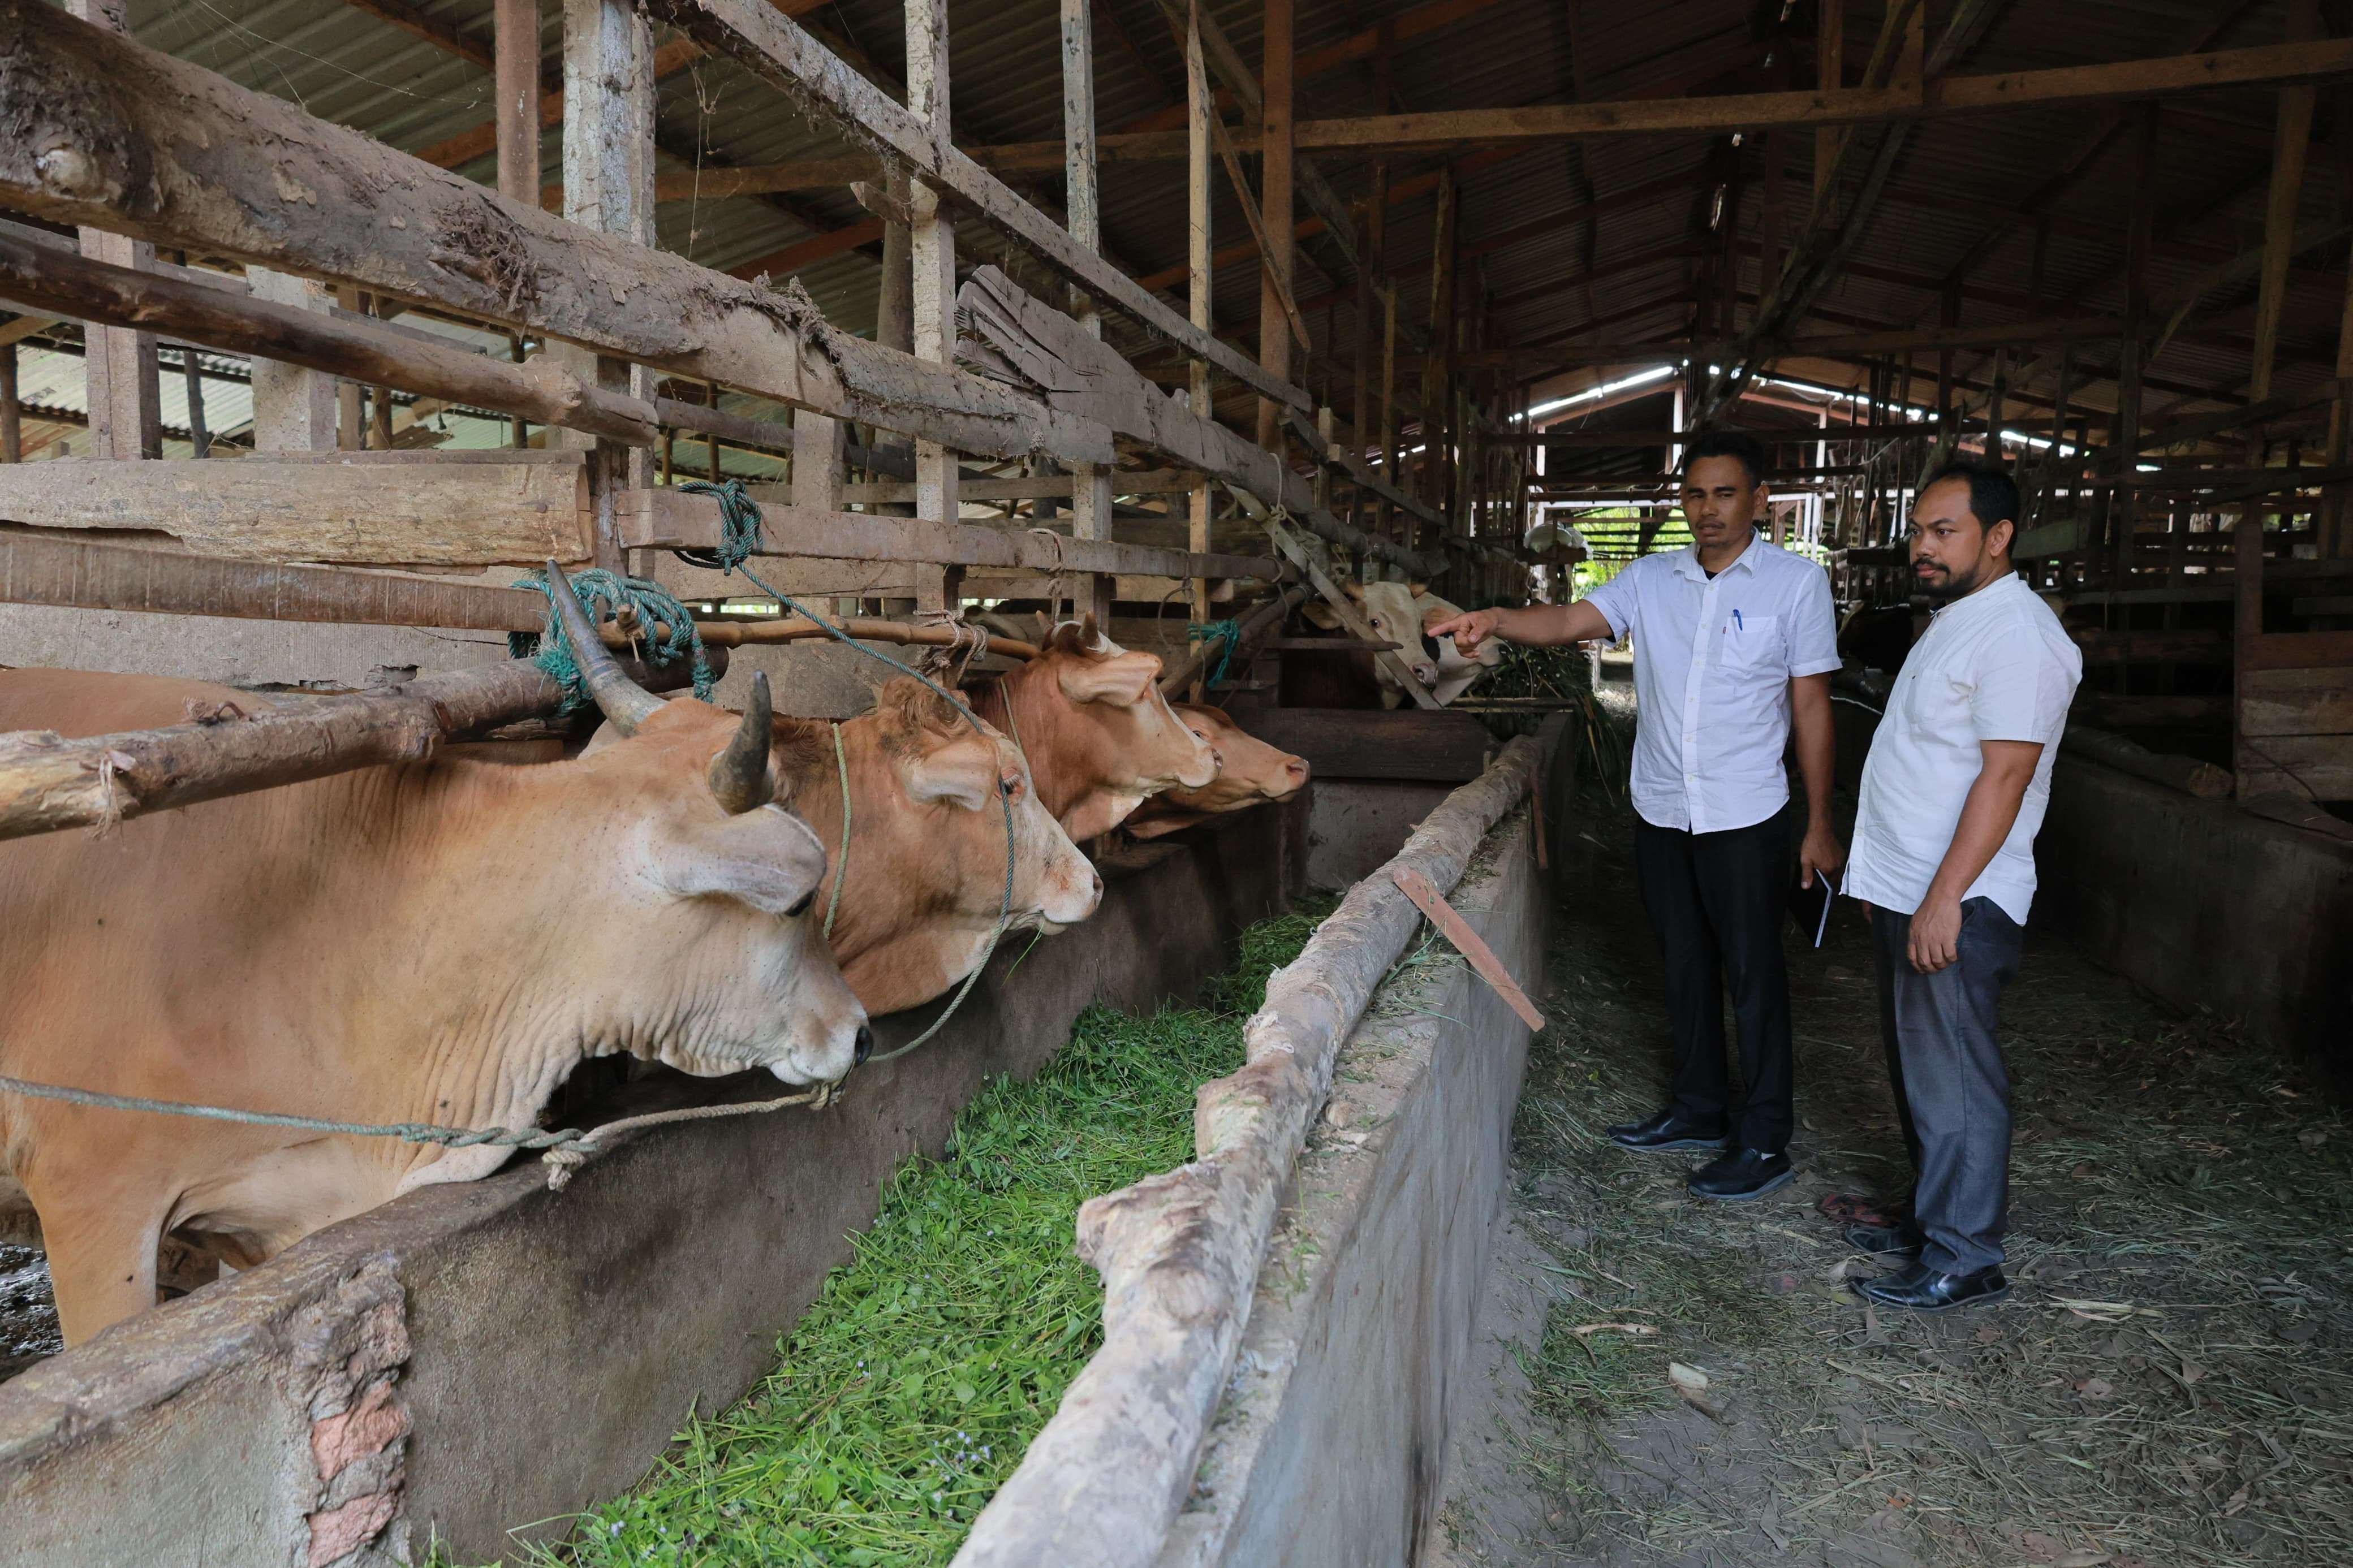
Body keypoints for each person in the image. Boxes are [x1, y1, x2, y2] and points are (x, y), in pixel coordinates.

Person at [1431, 431, 1842, 1200]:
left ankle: (1763, 1140)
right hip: (1662, 808)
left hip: (1748, 814)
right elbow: (1567, 623)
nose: (1708, 510)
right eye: (1695, 495)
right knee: (1684, 963)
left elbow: (1812, 706)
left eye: (1725, 494)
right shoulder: (1653, 578)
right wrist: (1494, 617)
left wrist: (1820, 822)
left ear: (1758, 500)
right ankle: (1697, 1107)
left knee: (1754, 974)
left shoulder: (1794, 586)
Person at [1839, 460, 2082, 1312]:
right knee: (1921, 1069)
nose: (1923, 548)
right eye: (1919, 531)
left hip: (1961, 894)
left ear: (2000, 535)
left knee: (1958, 1076)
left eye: (1944, 531)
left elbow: (2005, 778)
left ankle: (1967, 1254)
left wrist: (1944, 896)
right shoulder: (1956, 619)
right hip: (1912, 882)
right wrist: (1883, 875)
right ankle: (1933, 1217)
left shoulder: (2018, 634)